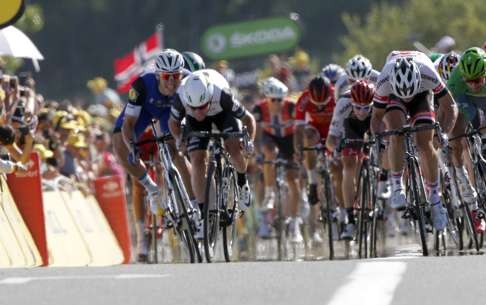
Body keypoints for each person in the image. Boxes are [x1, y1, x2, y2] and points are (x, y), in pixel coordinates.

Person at [112, 49, 194, 256]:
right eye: (167, 77)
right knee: (119, 146)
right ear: (158, 75)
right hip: (144, 115)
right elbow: (128, 124)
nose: (171, 82)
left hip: (169, 115)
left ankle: (194, 203)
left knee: (178, 152)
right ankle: (152, 191)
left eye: (176, 76)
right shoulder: (142, 85)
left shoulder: (187, 84)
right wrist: (132, 147)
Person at [370, 50, 458, 231]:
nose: (406, 97)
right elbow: (376, 117)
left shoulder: (428, 73)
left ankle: (435, 200)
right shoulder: (384, 82)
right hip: (394, 97)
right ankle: (396, 185)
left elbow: (450, 106)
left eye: (408, 94)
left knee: (425, 142)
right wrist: (380, 140)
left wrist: (443, 132)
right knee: (396, 133)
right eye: (404, 95)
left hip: (422, 94)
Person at [168, 69, 256, 239]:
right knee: (197, 159)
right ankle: (203, 215)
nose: (200, 112)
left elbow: (249, 119)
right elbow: (173, 122)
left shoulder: (222, 95)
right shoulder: (181, 98)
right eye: (194, 108)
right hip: (194, 123)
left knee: (233, 147)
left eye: (202, 107)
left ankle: (242, 182)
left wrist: (248, 141)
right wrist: (179, 138)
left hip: (223, 114)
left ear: (208, 97)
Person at [253, 77, 302, 242]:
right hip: (271, 139)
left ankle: (295, 225)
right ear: (267, 98)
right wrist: (258, 153)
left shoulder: (292, 107)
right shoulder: (259, 109)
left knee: (293, 180)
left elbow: (300, 129)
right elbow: (256, 135)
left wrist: (298, 151)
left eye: (280, 99)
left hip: (290, 141)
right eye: (273, 100)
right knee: (269, 154)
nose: (277, 103)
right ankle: (269, 197)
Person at [326, 80, 376, 239]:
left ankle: (376, 192)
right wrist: (336, 149)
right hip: (351, 128)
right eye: (358, 107)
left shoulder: (379, 103)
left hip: (372, 124)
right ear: (351, 103)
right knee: (349, 165)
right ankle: (350, 218)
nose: (362, 112)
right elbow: (331, 139)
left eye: (366, 107)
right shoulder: (343, 103)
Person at [294, 76, 343, 235]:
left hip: (333, 129)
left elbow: (344, 122)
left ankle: (343, 209)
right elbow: (299, 128)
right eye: (317, 105)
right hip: (315, 129)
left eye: (324, 104)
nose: (321, 108)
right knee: (308, 138)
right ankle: (313, 182)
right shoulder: (303, 98)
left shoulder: (337, 95)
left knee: (337, 169)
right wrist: (299, 148)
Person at [447, 47, 486, 233]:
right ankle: (470, 197)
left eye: (477, 80)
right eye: (469, 81)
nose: (474, 84)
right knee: (456, 140)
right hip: (463, 100)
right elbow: (449, 109)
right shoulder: (456, 78)